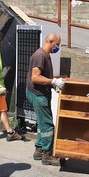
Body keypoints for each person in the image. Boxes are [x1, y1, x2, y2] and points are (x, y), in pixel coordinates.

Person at [26, 33, 65, 166]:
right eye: (57, 45)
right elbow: (35, 77)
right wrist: (53, 81)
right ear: (51, 41)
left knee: (41, 123)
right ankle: (47, 155)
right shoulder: (40, 56)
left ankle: (39, 149)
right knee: (47, 125)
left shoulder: (45, 55)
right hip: (38, 94)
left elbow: (43, 77)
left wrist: (53, 84)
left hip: (39, 93)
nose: (58, 47)